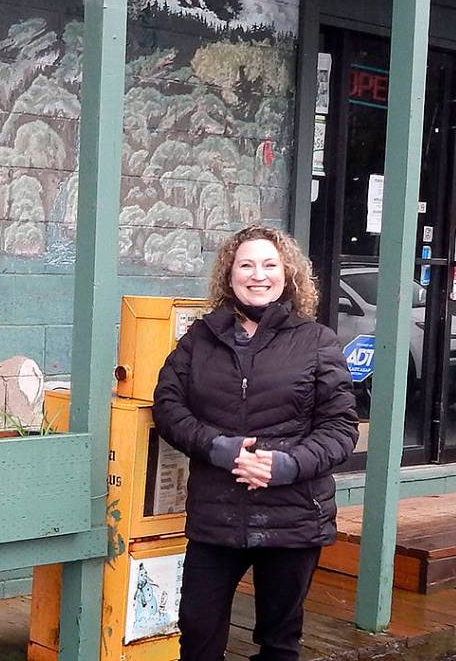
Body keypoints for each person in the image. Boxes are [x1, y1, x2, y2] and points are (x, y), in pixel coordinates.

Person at [153, 224, 360, 661]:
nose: (257, 274)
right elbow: (168, 407)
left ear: (288, 274)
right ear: (229, 275)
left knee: (279, 642)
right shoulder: (198, 339)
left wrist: (283, 465)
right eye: (246, 264)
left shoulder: (316, 341)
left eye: (269, 264)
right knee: (198, 631)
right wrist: (217, 447)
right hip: (216, 514)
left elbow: (340, 428)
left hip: (294, 516)